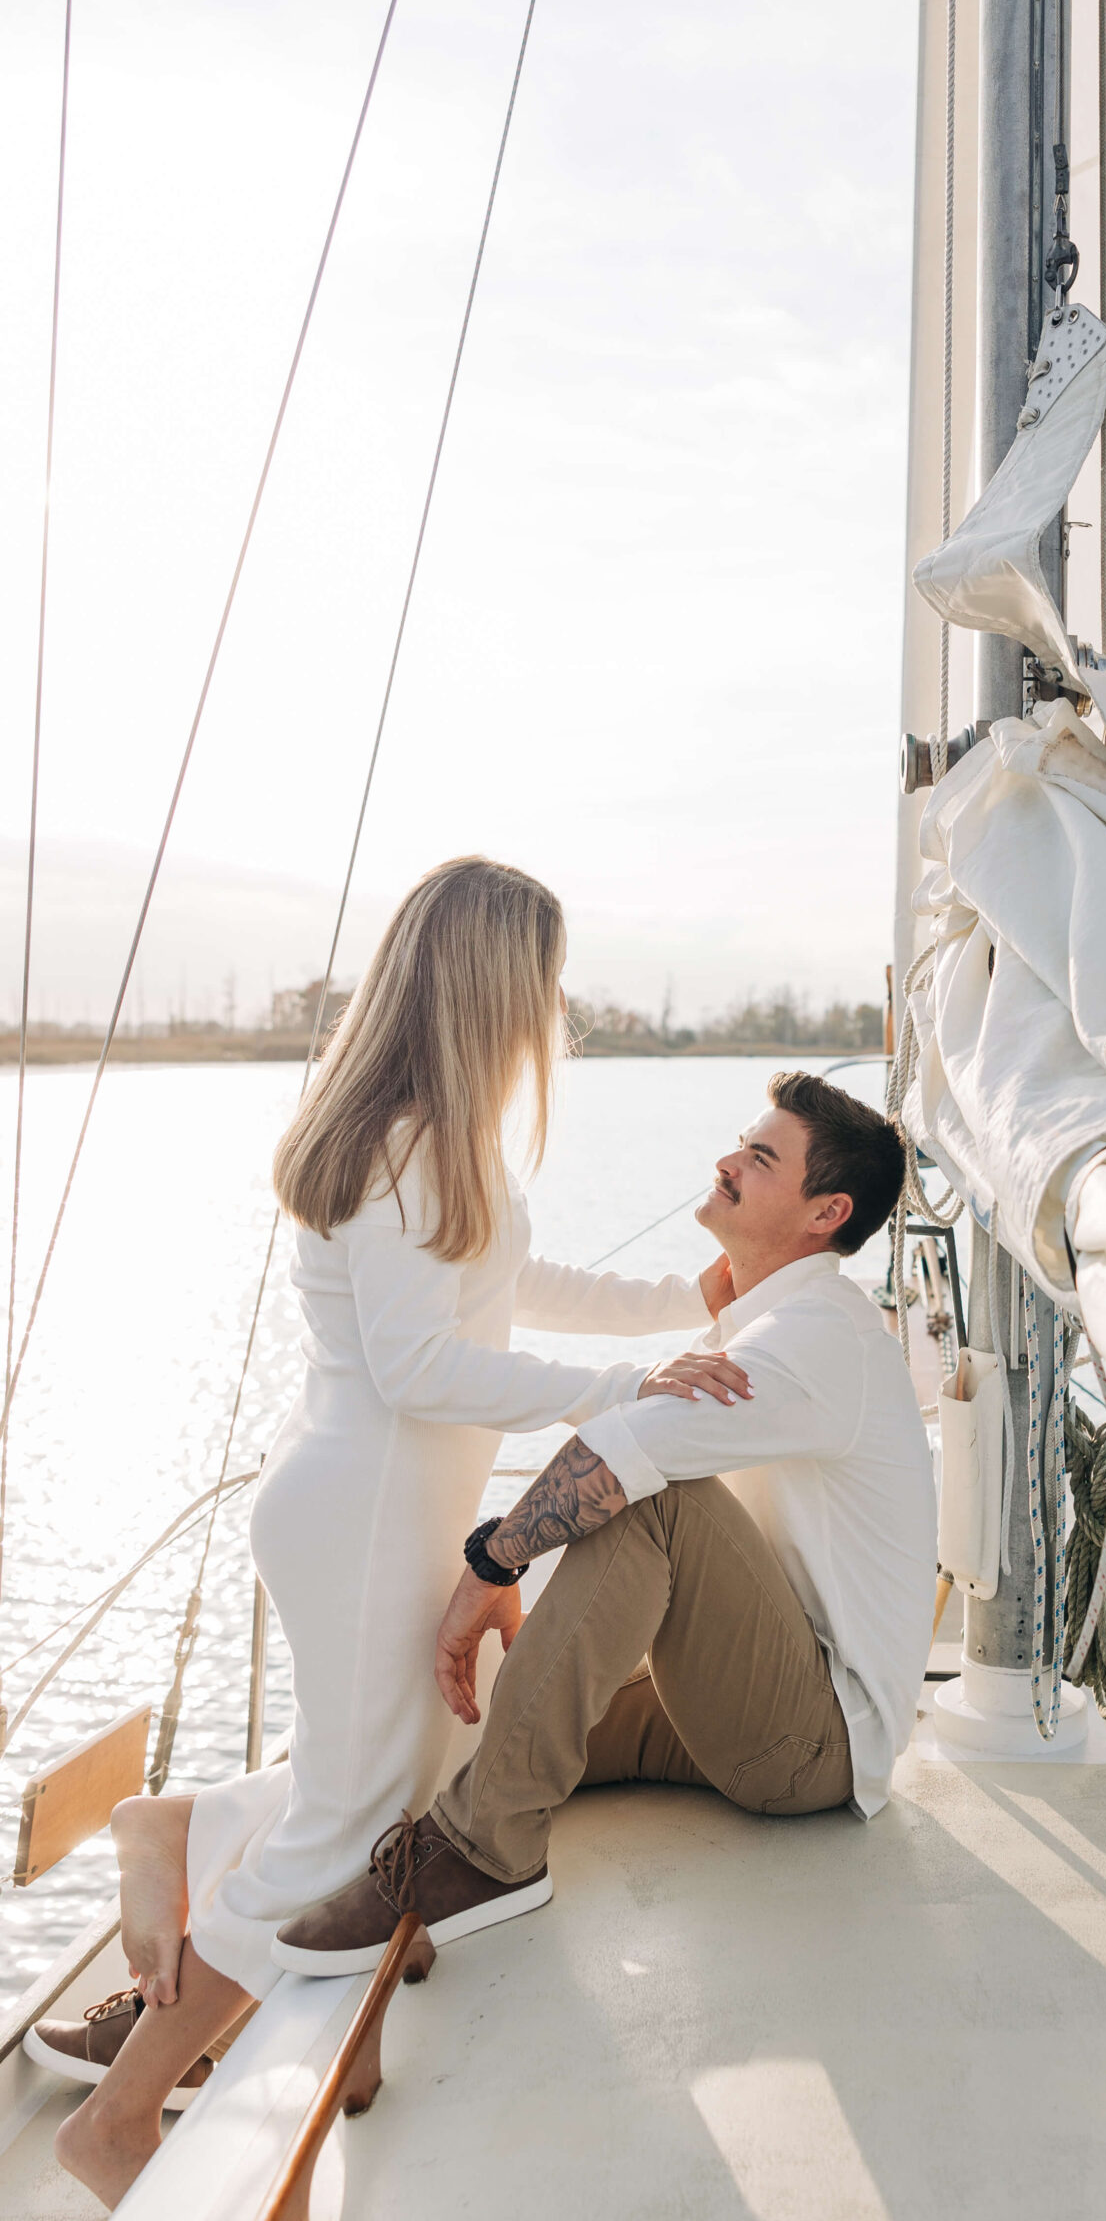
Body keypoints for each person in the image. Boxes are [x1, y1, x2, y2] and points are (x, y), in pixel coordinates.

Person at [38, 857, 748, 2208]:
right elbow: (423, 1369)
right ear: (490, 984)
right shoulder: (405, 1143)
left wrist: (678, 1300)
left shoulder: (436, 1138)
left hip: (384, 1505)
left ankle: (175, 1822)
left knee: (412, 1762)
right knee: (341, 1831)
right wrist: (620, 1392)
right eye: (541, 978)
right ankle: (119, 2119)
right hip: (364, 1512)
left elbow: (502, 1283)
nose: (554, 1004)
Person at [266, 1069, 937, 1974]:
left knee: (654, 1499)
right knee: (457, 1730)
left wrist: (490, 1569)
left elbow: (622, 1453)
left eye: (761, 1157)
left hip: (810, 1746)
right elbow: (560, 1328)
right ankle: (214, 1832)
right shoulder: (760, 1324)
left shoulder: (816, 1337)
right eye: (741, 1143)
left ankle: (483, 1855)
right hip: (738, 1700)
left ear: (827, 1213)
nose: (727, 1162)